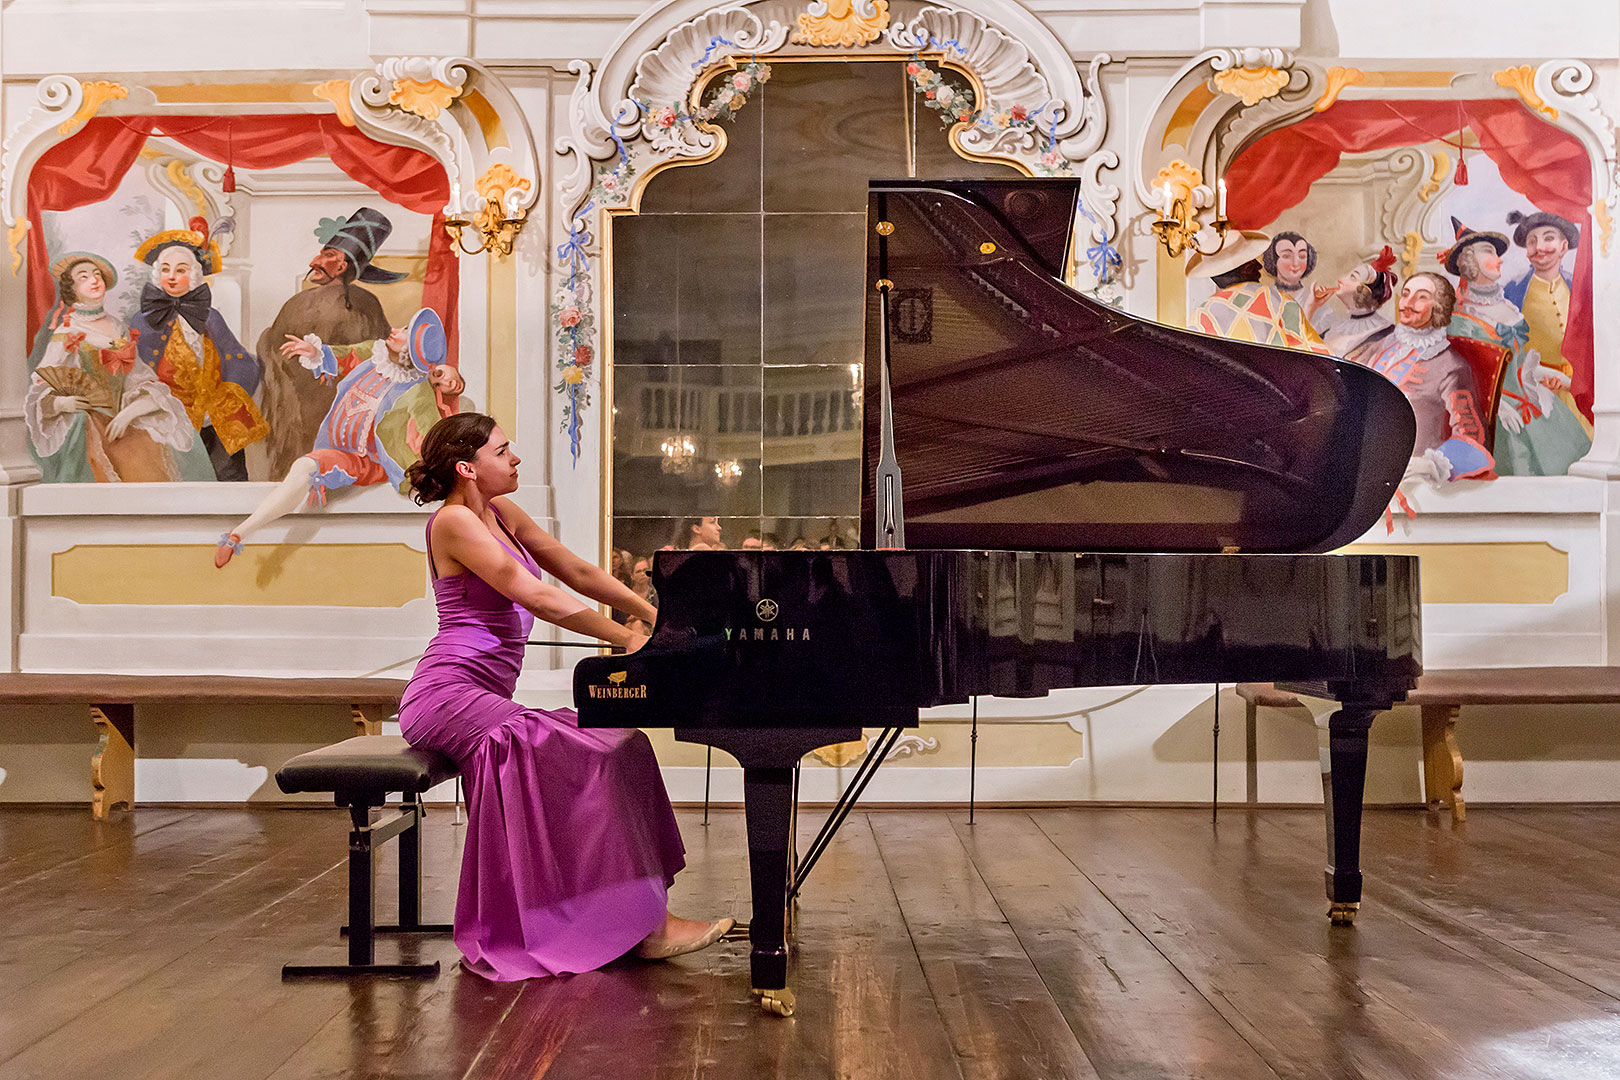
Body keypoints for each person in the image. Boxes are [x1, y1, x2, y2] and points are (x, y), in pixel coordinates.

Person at [397, 412, 732, 980]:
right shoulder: (452, 522)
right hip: (447, 694)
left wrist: (657, 618)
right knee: (581, 753)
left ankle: (636, 916)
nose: (515, 458)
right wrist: (627, 637)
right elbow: (535, 594)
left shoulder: (499, 512)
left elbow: (573, 570)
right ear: (467, 468)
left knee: (620, 742)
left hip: (483, 694)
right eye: (503, 451)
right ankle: (637, 926)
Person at [215, 308, 463, 567]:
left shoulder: (417, 391)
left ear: (409, 352)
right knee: (304, 466)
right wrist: (315, 353)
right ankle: (238, 534)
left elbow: (432, 432)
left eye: (403, 333)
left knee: (305, 466)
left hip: (367, 461)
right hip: (337, 446)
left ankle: (238, 534)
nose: (395, 330)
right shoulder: (376, 354)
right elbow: (348, 355)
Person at [24, 252, 213, 482]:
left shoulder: (118, 327)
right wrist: (61, 402)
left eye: (97, 275)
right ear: (71, 289)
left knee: (160, 446)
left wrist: (129, 413)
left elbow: (141, 379)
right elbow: (42, 384)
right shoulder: (67, 332)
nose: (94, 281)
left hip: (123, 416)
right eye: (83, 277)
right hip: (87, 422)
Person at [258, 207, 404, 476]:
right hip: (296, 407)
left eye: (328, 255)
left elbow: (379, 356)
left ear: (343, 265)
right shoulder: (298, 303)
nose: (315, 260)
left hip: (344, 410)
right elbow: (276, 350)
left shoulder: (364, 304)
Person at [1444, 217, 1589, 476]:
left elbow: (1521, 367)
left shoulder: (1509, 309)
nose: (1500, 260)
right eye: (1489, 253)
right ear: (1469, 261)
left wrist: (1550, 376)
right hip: (1494, 416)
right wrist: (1498, 405)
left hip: (1534, 402)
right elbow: (1462, 378)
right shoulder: (1460, 318)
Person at [130, 219, 267, 480]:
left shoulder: (210, 317)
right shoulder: (144, 319)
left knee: (228, 475)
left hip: (215, 415)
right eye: (166, 270)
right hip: (169, 416)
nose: (171, 276)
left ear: (192, 276)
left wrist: (228, 396)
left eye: (180, 270)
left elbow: (238, 360)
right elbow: (137, 371)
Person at [1347, 272, 1492, 483]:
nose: (1408, 303)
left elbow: (1472, 439)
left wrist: (1431, 464)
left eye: (1422, 296)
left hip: (1410, 480)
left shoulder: (1450, 365)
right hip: (1361, 470)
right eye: (1405, 294)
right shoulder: (1378, 346)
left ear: (1439, 306)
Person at [1504, 210, 1590, 439]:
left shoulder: (1580, 287)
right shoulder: (1513, 291)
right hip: (1536, 390)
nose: (1539, 246)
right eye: (1532, 241)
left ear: (1563, 246)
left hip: (1579, 390)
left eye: (1548, 238)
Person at [1186, 230, 1333, 354]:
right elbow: (1317, 356)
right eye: (1253, 261)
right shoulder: (1277, 300)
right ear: (1246, 268)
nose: (1258, 266)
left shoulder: (1203, 313)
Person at [1315, 246, 1397, 358]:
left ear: (1365, 291)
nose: (1341, 279)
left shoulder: (1385, 332)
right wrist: (1311, 306)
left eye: (1353, 277)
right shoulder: (1336, 328)